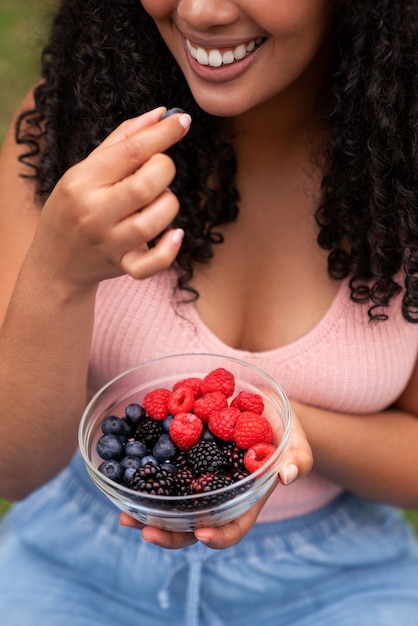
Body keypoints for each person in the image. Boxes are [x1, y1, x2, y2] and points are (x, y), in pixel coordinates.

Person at [0, 0, 418, 624]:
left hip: (335, 578)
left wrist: (265, 423)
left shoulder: (403, 174)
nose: (200, 11)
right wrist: (60, 271)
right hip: (79, 557)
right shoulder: (71, 119)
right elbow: (13, 468)